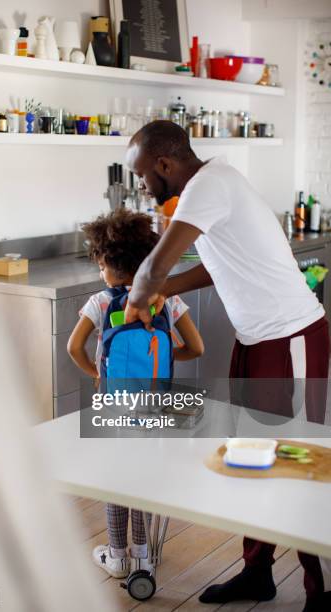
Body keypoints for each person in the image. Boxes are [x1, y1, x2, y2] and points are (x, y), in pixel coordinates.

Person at [123, 120, 330, 612]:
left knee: (296, 461)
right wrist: (162, 292)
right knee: (254, 457)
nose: (142, 186)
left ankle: (321, 589)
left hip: (290, 338)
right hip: (257, 340)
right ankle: (258, 573)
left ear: (165, 165)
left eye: (142, 176)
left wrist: (136, 296)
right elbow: (216, 265)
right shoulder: (213, 185)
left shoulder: (208, 186)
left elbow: (154, 267)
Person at [67, 207, 204, 578]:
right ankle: (143, 556)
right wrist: (159, 356)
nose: (100, 271)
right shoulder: (167, 300)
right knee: (143, 476)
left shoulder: (100, 301)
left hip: (113, 404)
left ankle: (117, 555)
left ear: (107, 264)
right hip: (155, 405)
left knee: (115, 477)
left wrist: (97, 372)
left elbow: (73, 348)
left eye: (100, 264)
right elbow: (196, 348)